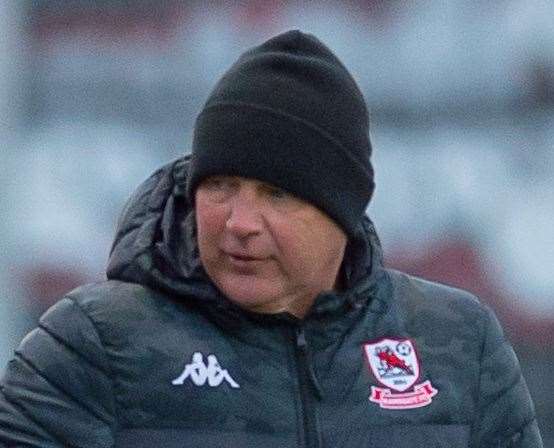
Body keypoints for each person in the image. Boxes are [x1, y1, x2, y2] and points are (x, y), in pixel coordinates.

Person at [0, 30, 543, 448]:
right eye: (220, 185)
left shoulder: (458, 345)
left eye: (276, 194)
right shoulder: (92, 344)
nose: (239, 221)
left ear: (341, 209)